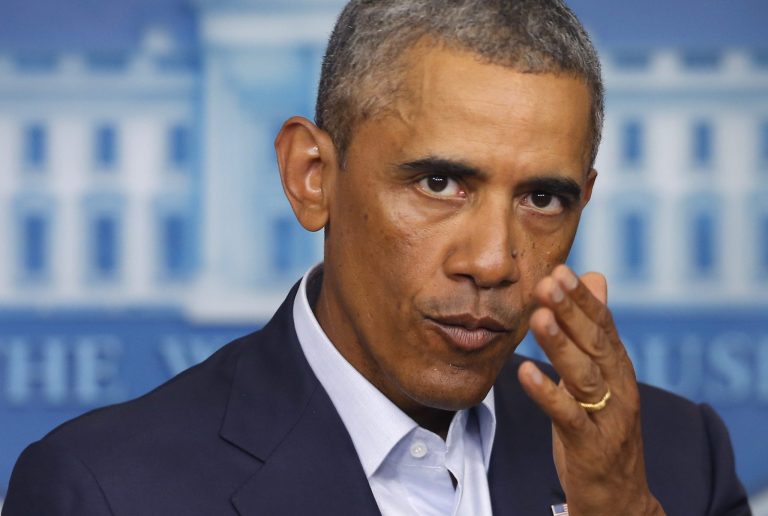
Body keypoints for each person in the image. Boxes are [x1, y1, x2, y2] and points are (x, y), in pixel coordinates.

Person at [3, 1, 751, 515]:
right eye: (439, 182)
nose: (493, 261)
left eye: (543, 199)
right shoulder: (104, 492)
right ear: (312, 177)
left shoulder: (677, 460)